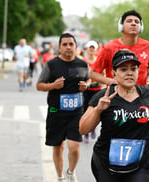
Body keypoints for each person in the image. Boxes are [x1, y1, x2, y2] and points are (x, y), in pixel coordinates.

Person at [79, 49, 149, 182]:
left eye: (133, 69)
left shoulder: (147, 94)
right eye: (124, 69)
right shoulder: (103, 96)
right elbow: (83, 129)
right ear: (114, 73)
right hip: (106, 164)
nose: (129, 73)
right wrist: (98, 110)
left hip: (141, 162)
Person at [36, 33, 90, 182]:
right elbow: (39, 85)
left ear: (76, 47)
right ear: (59, 47)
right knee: (58, 147)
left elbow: (88, 79)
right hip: (56, 112)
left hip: (76, 113)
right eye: (64, 44)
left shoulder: (82, 64)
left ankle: (71, 172)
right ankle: (60, 177)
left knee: (74, 146)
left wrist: (87, 85)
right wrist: (53, 85)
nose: (68, 47)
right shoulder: (52, 65)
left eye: (71, 44)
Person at [89, 9, 149, 89]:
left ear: (141, 27)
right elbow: (92, 74)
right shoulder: (109, 47)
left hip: (140, 96)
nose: (133, 23)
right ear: (121, 26)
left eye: (137, 22)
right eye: (129, 21)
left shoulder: (147, 45)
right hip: (117, 96)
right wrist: (109, 81)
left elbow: (148, 66)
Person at [82, 40, 102, 143]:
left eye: (93, 48)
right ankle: (86, 133)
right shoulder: (84, 61)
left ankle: (93, 128)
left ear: (96, 49)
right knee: (86, 110)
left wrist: (101, 82)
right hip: (87, 89)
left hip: (97, 90)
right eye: (90, 47)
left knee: (95, 111)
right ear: (87, 49)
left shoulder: (98, 60)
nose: (91, 49)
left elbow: (102, 73)